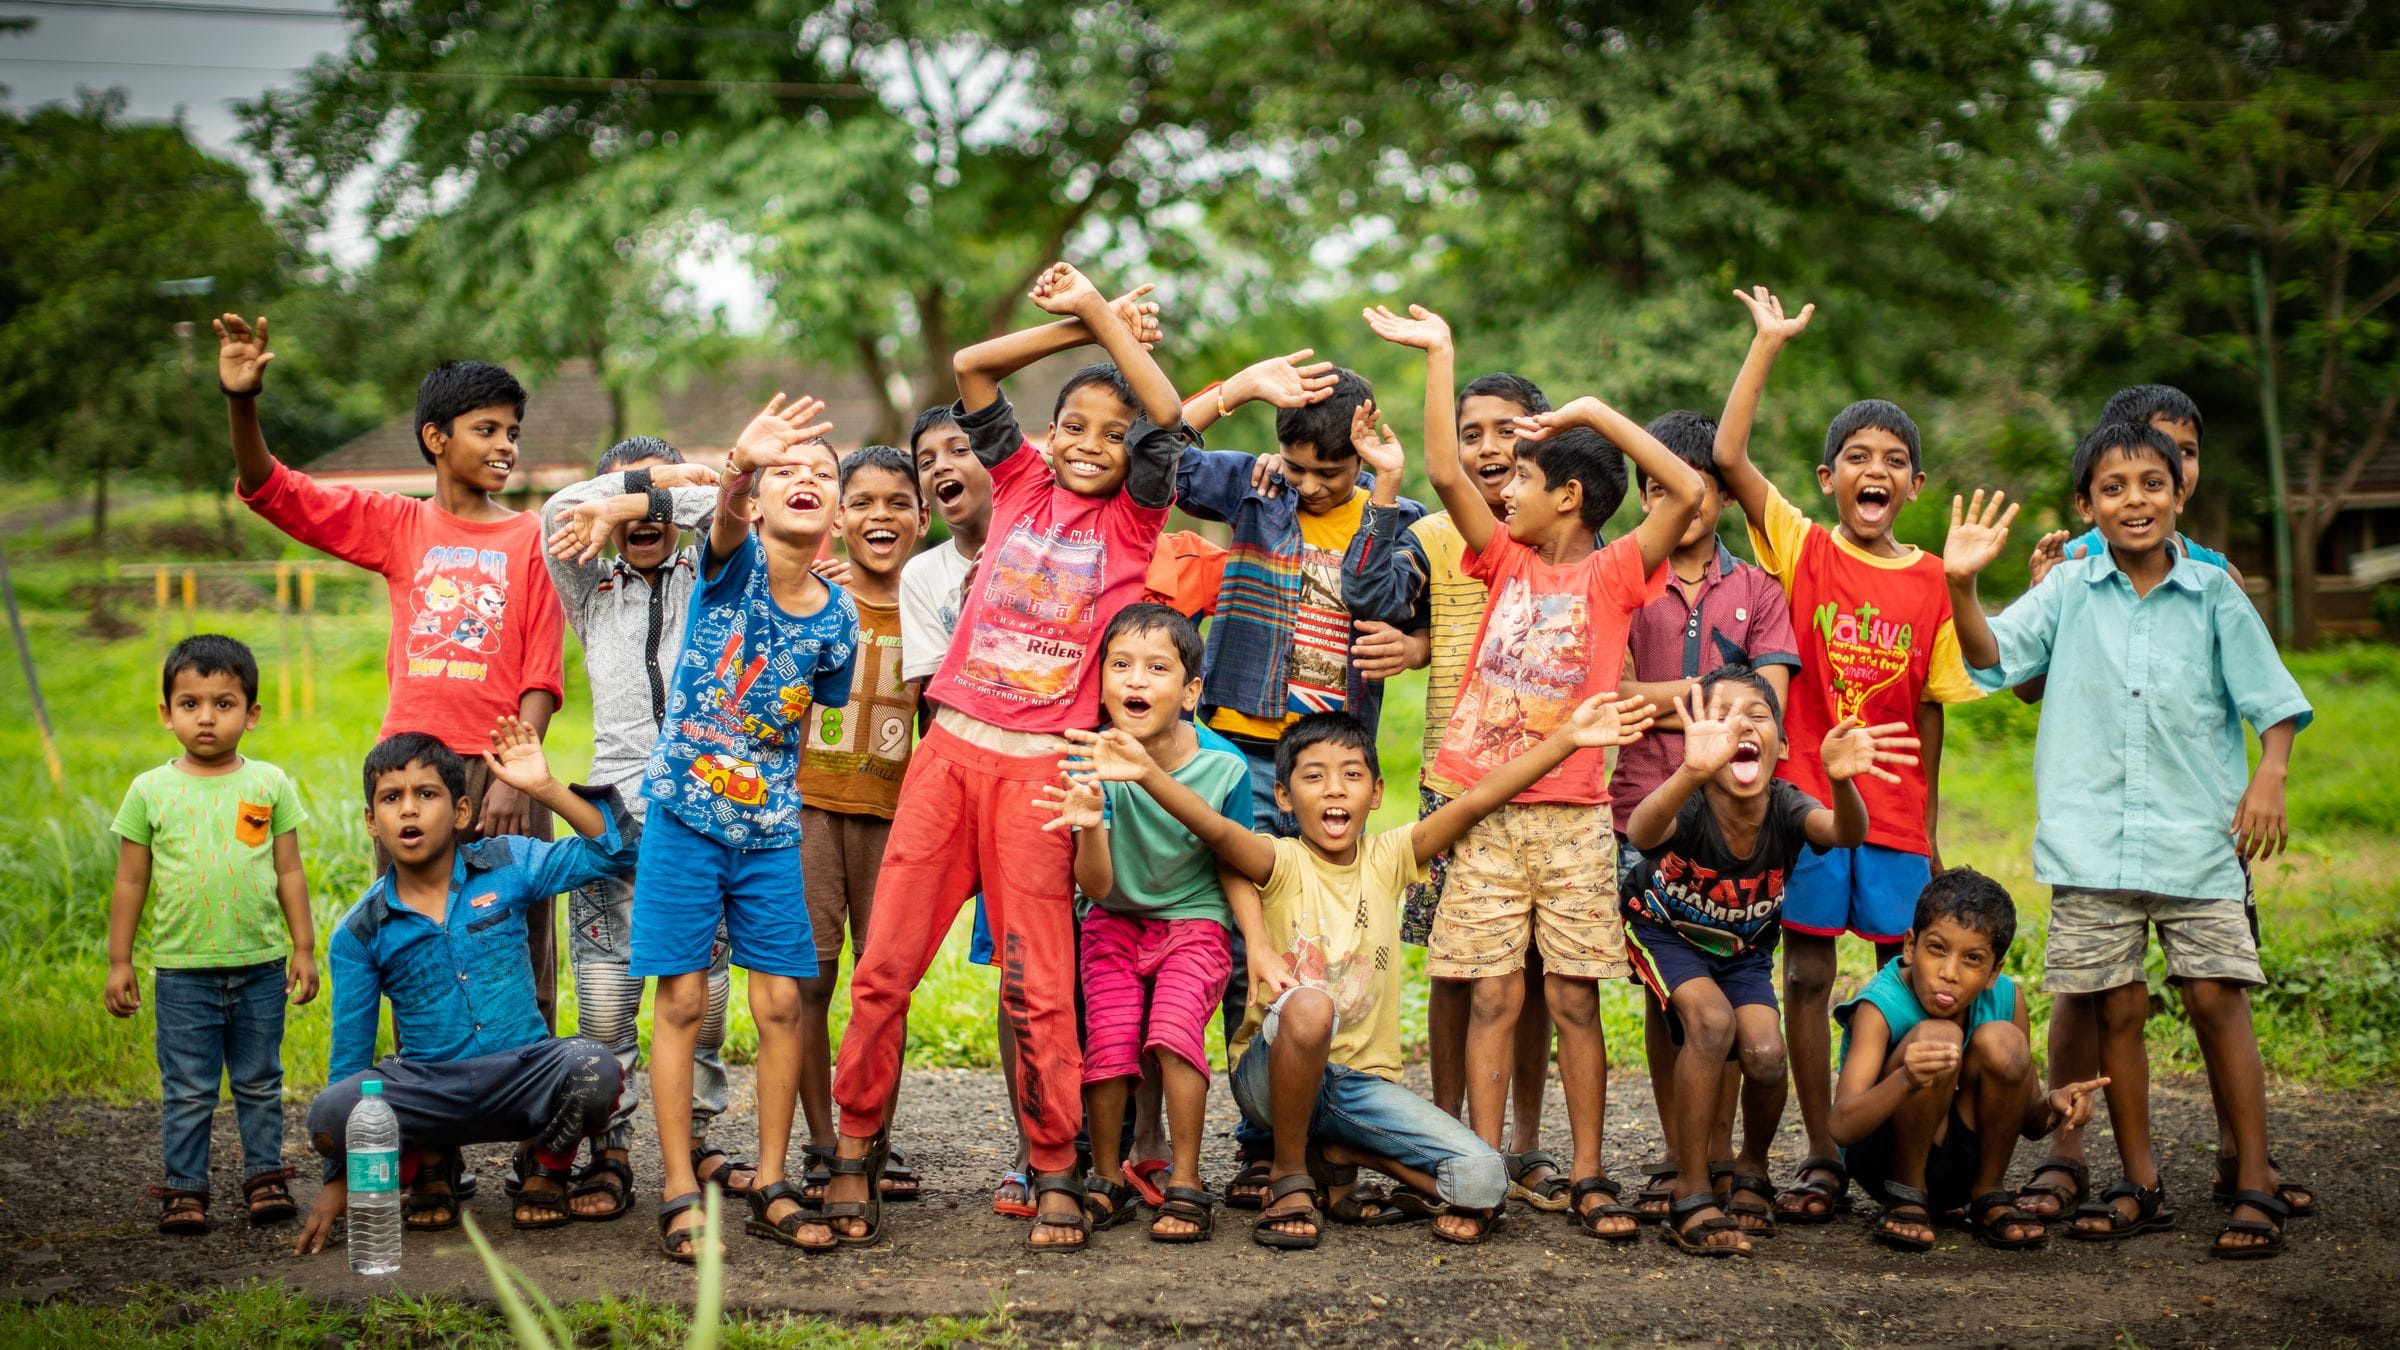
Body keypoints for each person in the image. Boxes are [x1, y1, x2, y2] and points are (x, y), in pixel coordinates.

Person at [821, 262, 1189, 1253]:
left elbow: (1172, 415)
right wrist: (1079, 325)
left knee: (1036, 983)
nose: (1092, 447)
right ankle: (853, 1152)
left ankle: (1058, 1167)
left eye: (1114, 437)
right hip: (950, 759)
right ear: (1044, 435)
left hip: (1041, 772)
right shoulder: (1016, 476)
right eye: (1075, 427)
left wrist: (1113, 327)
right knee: (886, 969)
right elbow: (974, 363)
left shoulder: (1135, 518)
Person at [1064, 695, 1656, 1249]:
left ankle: (1339, 1148)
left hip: (1358, 1087)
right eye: (1313, 776)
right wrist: (1148, 774)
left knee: (1484, 1182)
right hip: (1269, 1076)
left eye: (1351, 774)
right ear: (1286, 796)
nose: (1333, 790)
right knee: (1310, 1005)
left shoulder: (1390, 857)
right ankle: (1292, 1171)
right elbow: (1217, 832)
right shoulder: (1280, 859)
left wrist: (1570, 739)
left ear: (1376, 793)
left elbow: (1476, 800)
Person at [1365, 301, 1702, 1242]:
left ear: (1572, 498)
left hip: (1573, 819)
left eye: (1522, 474)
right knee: (1491, 992)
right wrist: (1441, 353)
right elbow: (1439, 467)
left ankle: (1589, 1172)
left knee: (1571, 996)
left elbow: (1678, 490)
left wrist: (1592, 414)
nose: (1500, 485)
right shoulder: (1500, 559)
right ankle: (1478, 1171)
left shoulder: (1615, 575)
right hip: (1481, 811)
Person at [1944, 423, 2313, 1260]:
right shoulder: (2070, 587)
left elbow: (2275, 699)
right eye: (2113, 488)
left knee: (2218, 997)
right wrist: (1963, 586)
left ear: (2179, 493)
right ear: (2086, 507)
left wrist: (2271, 775)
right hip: (2092, 845)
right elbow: (1995, 658)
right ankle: (2138, 1182)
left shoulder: (2215, 591)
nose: (2134, 500)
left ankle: (2252, 1178)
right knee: (2117, 1007)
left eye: (2151, 483)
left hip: (2196, 838)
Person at [1707, 286, 1985, 1224]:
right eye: (1858, 458)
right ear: (1829, 478)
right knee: (1809, 974)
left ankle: (1907, 1148)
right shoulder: (1802, 549)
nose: (1877, 471)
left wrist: (1934, 828)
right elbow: (1730, 456)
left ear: (1913, 486)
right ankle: (1824, 1148)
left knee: (1910, 978)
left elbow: (1933, 716)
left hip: (1900, 817)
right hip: (1811, 805)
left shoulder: (1934, 585)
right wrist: (1767, 344)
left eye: (1895, 462)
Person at [214, 315, 570, 1026]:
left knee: (521, 942)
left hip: (507, 769)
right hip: (413, 768)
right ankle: (432, 1117)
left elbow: (541, 668)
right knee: (415, 944)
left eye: (512, 433)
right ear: (436, 438)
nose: (506, 446)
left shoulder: (533, 536)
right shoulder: (398, 525)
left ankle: (535, 1107)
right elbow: (277, 491)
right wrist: (241, 402)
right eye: (488, 429)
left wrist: (510, 776)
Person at [625, 394, 860, 1260]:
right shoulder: (730, 566)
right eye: (786, 474)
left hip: (768, 833)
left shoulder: (839, 622)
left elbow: (797, 725)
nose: (806, 482)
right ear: (758, 504)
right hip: (684, 819)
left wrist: (773, 800)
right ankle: (680, 1183)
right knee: (683, 1000)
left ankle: (770, 1179)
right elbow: (722, 521)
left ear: (836, 512)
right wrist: (738, 463)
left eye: (823, 475)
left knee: (782, 1004)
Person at [1343, 363, 1568, 1211]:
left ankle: (1528, 1141)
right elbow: (1375, 597)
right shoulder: (1438, 533)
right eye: (1471, 433)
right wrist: (1386, 490)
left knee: (1539, 971)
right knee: (1453, 963)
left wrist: (1426, 646)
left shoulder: (1563, 524)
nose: (1486, 448)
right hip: (1454, 777)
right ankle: (1446, 1131)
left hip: (1552, 781)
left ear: (1540, 434)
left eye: (1505, 430)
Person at [291, 724, 637, 1255]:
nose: (408, 810)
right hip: (430, 1087)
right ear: (371, 822)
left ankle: (545, 1163)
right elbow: (350, 1061)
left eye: (426, 794)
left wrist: (544, 788)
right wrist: (340, 1181)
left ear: (459, 812)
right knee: (331, 1114)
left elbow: (616, 853)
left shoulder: (507, 864)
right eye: (391, 798)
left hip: (523, 1074)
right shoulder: (361, 931)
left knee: (596, 1067)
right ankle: (431, 1160)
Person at [1622, 666, 1917, 1255]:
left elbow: (1844, 831)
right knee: (1710, 1024)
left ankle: (1750, 1167)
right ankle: (1692, 1188)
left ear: (1780, 748)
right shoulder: (1693, 796)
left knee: (1764, 1052)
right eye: (1723, 714)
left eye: (1757, 715)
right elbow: (1642, 829)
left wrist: (1840, 782)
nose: (1741, 725)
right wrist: (1689, 771)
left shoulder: (1786, 805)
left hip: (1742, 950)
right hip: (1664, 932)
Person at [538, 439, 750, 1220]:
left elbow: (729, 505)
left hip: (700, 814)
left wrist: (655, 492)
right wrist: (656, 482)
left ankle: (690, 1140)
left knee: (703, 1009)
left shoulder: (715, 575)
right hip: (614, 818)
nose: (641, 515)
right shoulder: (591, 584)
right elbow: (559, 511)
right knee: (604, 1011)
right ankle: (612, 1147)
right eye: (624, 500)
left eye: (658, 499)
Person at [1610, 410, 1802, 1224]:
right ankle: (1682, 1151)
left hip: (1739, 822)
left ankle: (1723, 1156)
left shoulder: (1759, 588)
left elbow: (1771, 705)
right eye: (1656, 490)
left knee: (1729, 978)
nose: (1677, 505)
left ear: (1721, 495)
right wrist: (1711, 711)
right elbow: (1610, 701)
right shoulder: (1626, 579)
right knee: (1673, 997)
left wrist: (1679, 710)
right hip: (1641, 810)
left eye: (1691, 491)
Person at [1032, 604, 1253, 1242]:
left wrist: (1257, 948)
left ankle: (1185, 1179)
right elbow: (1096, 887)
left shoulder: (1225, 767)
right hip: (1113, 918)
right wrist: (1091, 821)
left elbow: (1234, 862)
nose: (1136, 681)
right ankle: (1106, 1175)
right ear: (1099, 681)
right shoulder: (1084, 760)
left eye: (1158, 669)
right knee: (1109, 1041)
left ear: (1190, 693)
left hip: (1195, 919)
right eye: (1121, 665)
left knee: (1175, 1032)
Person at [105, 635, 316, 1235]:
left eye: (223, 703)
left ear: (250, 715)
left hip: (260, 965)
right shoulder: (150, 790)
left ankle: (265, 1177)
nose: (206, 717)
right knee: (190, 1087)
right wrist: (119, 960)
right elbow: (129, 881)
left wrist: (302, 948)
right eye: (190, 703)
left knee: (258, 1079)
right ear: (166, 713)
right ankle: (185, 1188)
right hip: (181, 970)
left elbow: (289, 870)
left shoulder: (270, 784)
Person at [1830, 868, 2109, 1253]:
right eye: (1937, 949)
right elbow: (1842, 1126)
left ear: (1994, 971)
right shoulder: (1880, 1005)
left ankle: (1989, 1193)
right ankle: (1908, 1193)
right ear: (1910, 946)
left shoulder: (2007, 1000)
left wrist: (2055, 1105)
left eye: (1972, 959)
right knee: (1939, 1036)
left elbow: (2027, 1120)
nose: (1949, 973)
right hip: (1883, 1160)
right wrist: (1906, 1078)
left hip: (1961, 1165)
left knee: (2004, 1041)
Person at [794, 445, 929, 1203]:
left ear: (922, 516)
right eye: (865, 502)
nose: (881, 516)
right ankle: (821, 1140)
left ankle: (872, 1134)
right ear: (839, 517)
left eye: (897, 503)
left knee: (885, 986)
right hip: (808, 813)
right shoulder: (811, 598)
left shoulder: (938, 605)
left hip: (896, 823)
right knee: (810, 981)